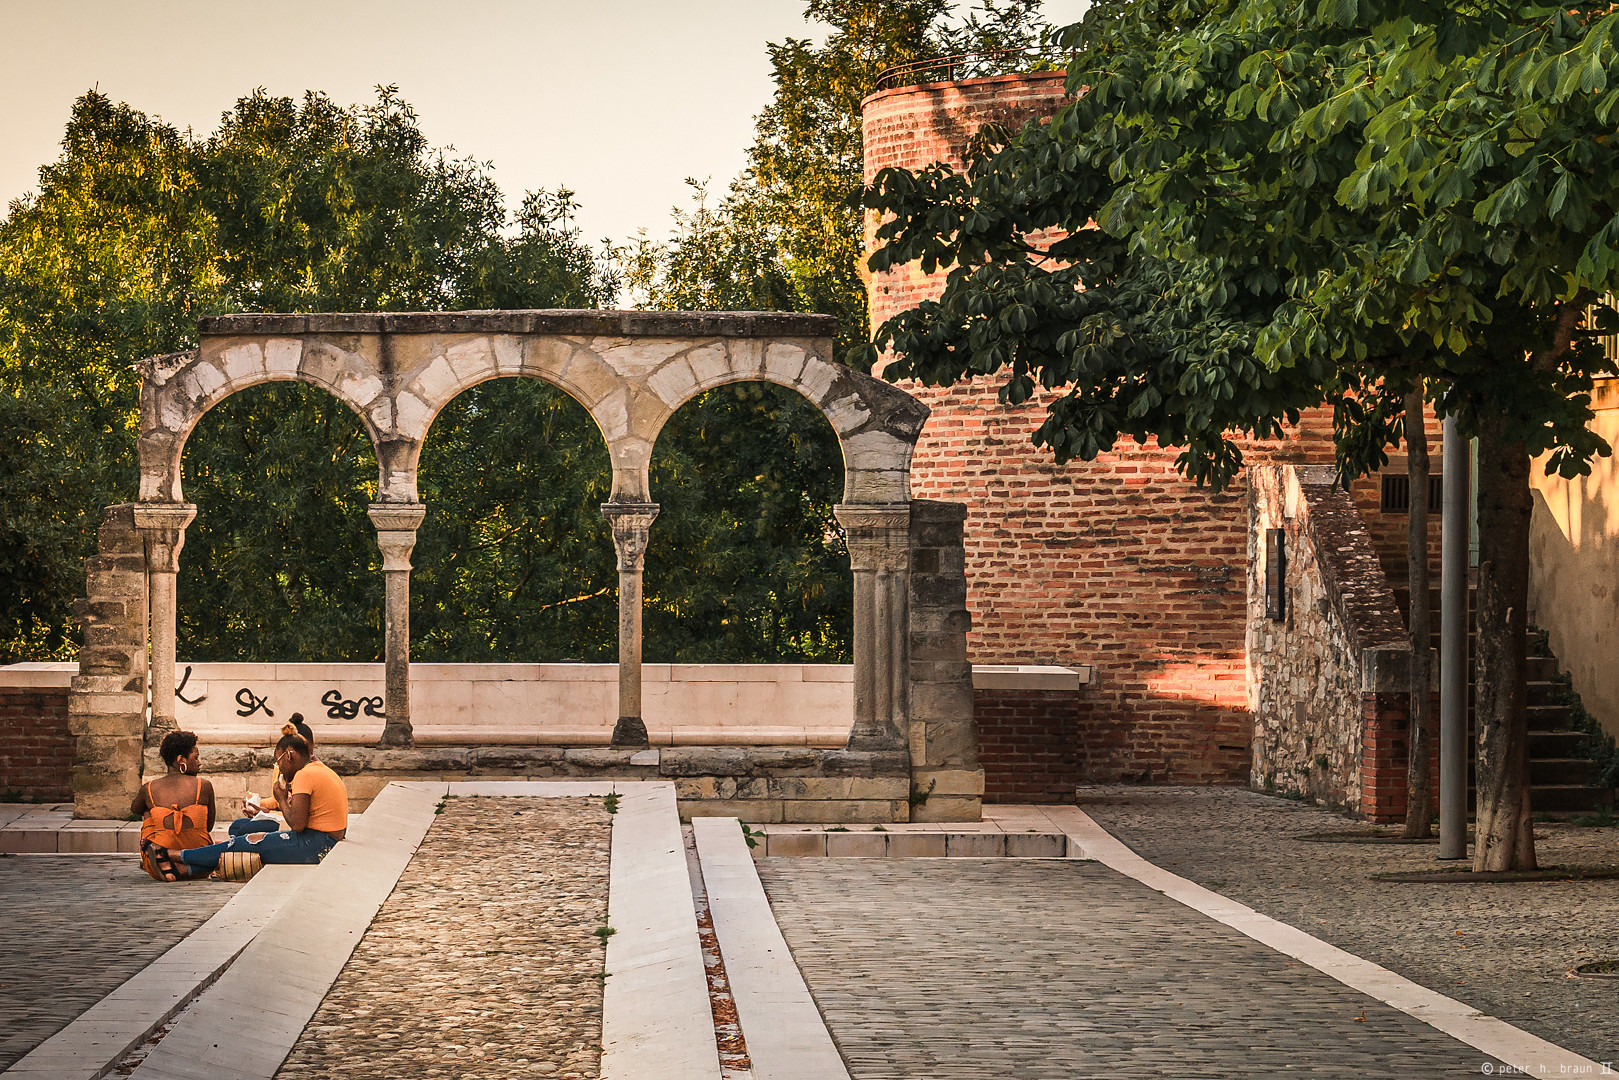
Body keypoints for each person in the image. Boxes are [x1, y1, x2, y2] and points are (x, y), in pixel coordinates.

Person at [149, 732, 347, 877]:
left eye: (278, 762)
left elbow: (297, 825)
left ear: (289, 755)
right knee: (247, 845)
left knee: (245, 843)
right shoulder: (318, 769)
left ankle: (174, 855)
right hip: (323, 840)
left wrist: (280, 798)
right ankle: (182, 869)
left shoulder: (305, 774)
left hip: (318, 844)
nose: (278, 768)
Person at [134, 730, 216, 882]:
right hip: (201, 861)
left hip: (158, 867)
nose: (199, 762)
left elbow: (134, 809)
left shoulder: (149, 788)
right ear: (181, 760)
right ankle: (184, 868)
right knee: (217, 856)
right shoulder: (204, 785)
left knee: (147, 810)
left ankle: (161, 858)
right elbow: (209, 826)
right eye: (196, 758)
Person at [234, 716, 316, 839]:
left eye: (306, 750)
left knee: (244, 830)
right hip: (284, 817)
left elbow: (299, 821)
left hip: (296, 825)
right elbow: (277, 800)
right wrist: (254, 804)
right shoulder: (283, 766)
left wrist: (268, 812)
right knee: (236, 826)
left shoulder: (307, 773)